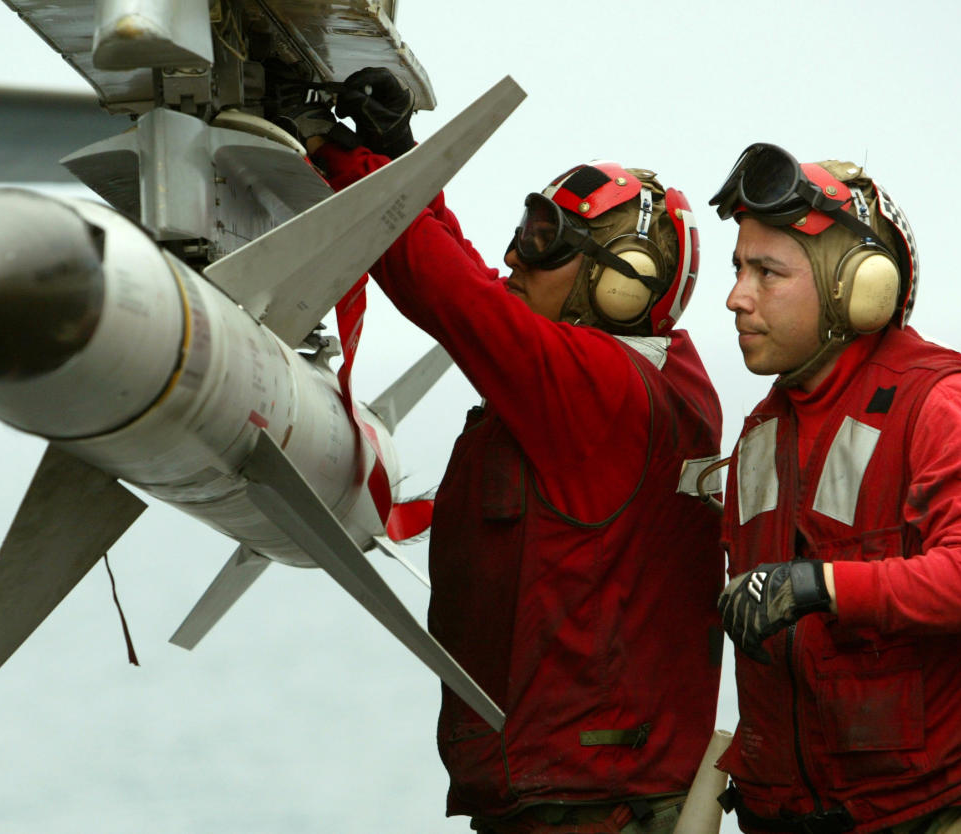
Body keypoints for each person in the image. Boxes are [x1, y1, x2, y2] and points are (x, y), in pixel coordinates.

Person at [280, 69, 725, 833]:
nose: (516, 256)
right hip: (581, 796)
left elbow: (457, 298)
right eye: (527, 232)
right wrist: (393, 154)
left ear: (617, 286)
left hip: (586, 808)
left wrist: (345, 160)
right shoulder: (652, 371)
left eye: (546, 245)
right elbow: (482, 285)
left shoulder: (599, 390)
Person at [710, 142, 961, 834]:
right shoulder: (761, 434)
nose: (736, 297)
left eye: (766, 272)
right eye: (738, 269)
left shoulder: (945, 404)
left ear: (856, 288)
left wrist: (817, 586)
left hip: (946, 809)